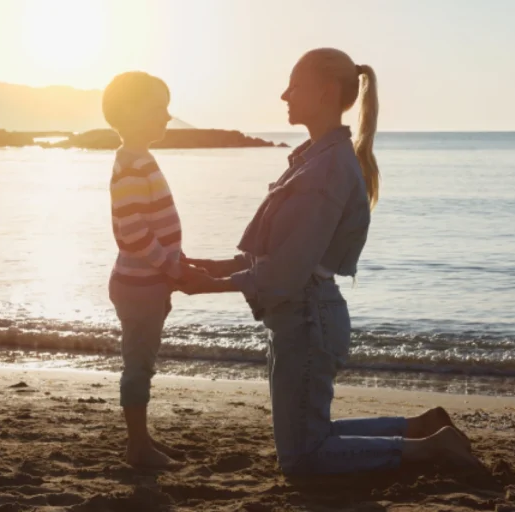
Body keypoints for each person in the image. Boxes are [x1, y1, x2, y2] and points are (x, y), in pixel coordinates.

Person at [181, 48, 480, 475]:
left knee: (302, 457)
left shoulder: (325, 169)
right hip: (302, 316)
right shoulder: (314, 160)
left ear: (324, 93)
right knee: (311, 437)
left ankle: (430, 449)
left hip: (307, 320)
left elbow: (287, 271)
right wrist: (204, 266)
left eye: (294, 86)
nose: (284, 95)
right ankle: (420, 429)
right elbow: (276, 257)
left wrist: (203, 284)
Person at [103, 71, 205, 469]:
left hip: (148, 281)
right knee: (139, 364)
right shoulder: (132, 164)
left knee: (143, 361)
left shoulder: (139, 159)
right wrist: (172, 269)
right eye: (159, 109)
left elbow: (151, 229)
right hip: (139, 284)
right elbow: (133, 232)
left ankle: (141, 439)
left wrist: (178, 264)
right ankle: (138, 447)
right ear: (131, 113)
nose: (167, 116)